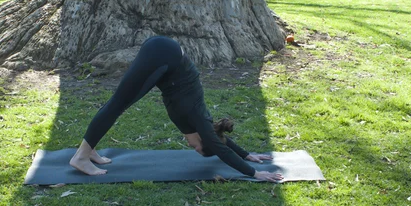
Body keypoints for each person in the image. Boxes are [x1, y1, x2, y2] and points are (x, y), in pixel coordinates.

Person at [70, 36, 283, 182]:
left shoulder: (200, 126)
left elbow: (219, 141)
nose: (189, 145)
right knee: (117, 104)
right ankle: (81, 157)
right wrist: (255, 173)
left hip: (165, 56)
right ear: (202, 138)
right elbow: (219, 147)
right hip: (163, 54)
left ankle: (89, 150)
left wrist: (246, 154)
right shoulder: (197, 118)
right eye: (195, 148)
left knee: (119, 105)